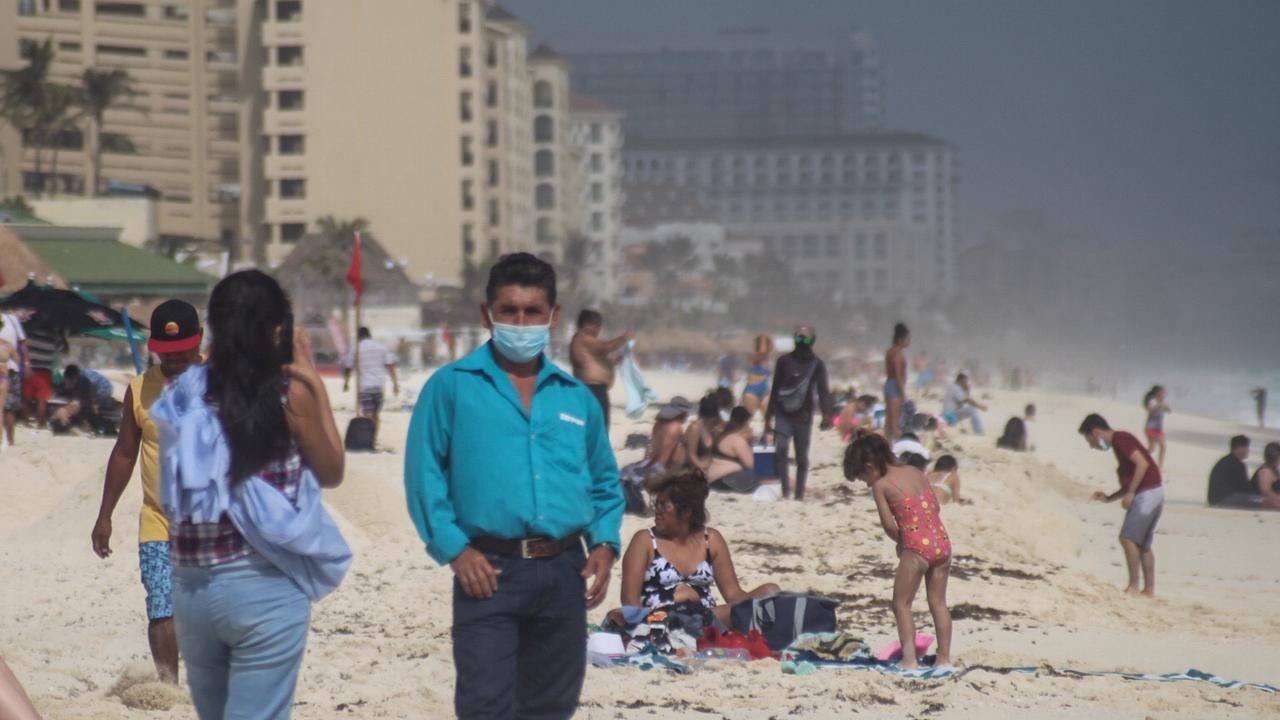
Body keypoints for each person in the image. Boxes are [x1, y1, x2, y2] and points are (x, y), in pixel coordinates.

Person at [404, 253, 623, 720]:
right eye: (509, 311)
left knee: (551, 706)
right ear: (487, 313)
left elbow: (604, 480)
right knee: (485, 706)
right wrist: (455, 551)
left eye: (532, 313)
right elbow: (424, 478)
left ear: (553, 316)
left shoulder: (575, 397)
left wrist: (605, 543)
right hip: (488, 573)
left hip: (566, 572)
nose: (520, 323)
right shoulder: (451, 387)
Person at [154, 270, 350, 719]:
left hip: (192, 586)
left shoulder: (181, 394)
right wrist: (308, 373)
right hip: (263, 585)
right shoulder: (289, 392)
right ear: (276, 328)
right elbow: (333, 469)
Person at [91, 299, 203, 685]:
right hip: (158, 519)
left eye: (180, 353)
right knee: (161, 606)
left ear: (199, 341)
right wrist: (105, 515)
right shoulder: (140, 391)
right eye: (164, 354)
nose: (171, 361)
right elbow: (125, 452)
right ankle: (169, 689)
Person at [843, 429, 952, 669]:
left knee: (901, 604)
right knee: (939, 604)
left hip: (916, 548)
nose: (866, 483)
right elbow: (934, 506)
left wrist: (902, 544)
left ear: (870, 467)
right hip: (941, 541)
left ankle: (910, 659)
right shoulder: (915, 471)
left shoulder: (881, 485)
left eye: (863, 478)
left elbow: (889, 525)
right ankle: (944, 658)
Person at [620, 470, 780, 627]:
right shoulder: (645, 541)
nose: (657, 511)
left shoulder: (711, 540)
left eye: (664, 506)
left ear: (686, 512)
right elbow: (630, 601)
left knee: (770, 591)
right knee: (685, 595)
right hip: (660, 620)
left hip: (708, 619)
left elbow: (734, 595)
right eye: (657, 504)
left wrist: (762, 596)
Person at [1080, 414, 1164, 597]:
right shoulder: (1120, 445)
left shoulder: (1121, 439)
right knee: (1143, 544)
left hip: (1147, 493)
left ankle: (1133, 586)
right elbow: (1131, 477)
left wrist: (1132, 493)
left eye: (1091, 441)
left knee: (1127, 538)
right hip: (1154, 492)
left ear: (1096, 432)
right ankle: (1148, 590)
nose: (1092, 446)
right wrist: (1109, 498)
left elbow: (1142, 464)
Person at [764, 324, 834, 501]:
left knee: (802, 457)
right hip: (782, 413)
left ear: (812, 341)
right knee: (781, 449)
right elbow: (775, 388)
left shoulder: (817, 364)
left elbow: (823, 391)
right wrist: (768, 415)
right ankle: (786, 490)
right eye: (799, 337)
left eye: (805, 338)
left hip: (803, 416)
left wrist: (827, 415)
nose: (801, 341)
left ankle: (799, 494)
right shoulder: (783, 361)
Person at [569, 309, 632, 428]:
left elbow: (606, 361)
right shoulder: (582, 338)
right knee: (596, 426)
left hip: (598, 389)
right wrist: (624, 338)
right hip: (590, 388)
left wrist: (623, 356)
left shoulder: (590, 345)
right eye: (597, 325)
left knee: (602, 425)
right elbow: (606, 347)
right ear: (587, 324)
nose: (598, 329)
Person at [342, 326, 399, 443]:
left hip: (365, 386)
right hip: (379, 385)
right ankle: (373, 438)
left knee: (367, 414)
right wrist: (395, 384)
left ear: (358, 337)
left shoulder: (356, 348)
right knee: (376, 414)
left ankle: (368, 438)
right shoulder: (381, 347)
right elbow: (390, 365)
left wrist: (346, 382)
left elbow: (348, 367)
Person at [50, 364, 118, 435]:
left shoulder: (86, 382)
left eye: (70, 383)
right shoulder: (72, 378)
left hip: (103, 389)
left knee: (93, 408)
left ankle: (103, 424)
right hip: (97, 389)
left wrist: (92, 403)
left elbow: (90, 401)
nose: (69, 385)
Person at [705, 406, 759, 493]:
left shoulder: (722, 435)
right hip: (728, 479)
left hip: (715, 480)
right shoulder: (737, 440)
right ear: (746, 423)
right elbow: (753, 465)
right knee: (764, 476)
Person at [21, 326, 63, 430]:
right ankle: (41, 423)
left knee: (26, 399)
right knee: (42, 400)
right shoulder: (55, 337)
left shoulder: (30, 333)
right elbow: (60, 350)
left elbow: (23, 347)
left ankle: (26, 421)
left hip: (30, 370)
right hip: (45, 371)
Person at [0, 311, 25, 448]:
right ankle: (9, 441)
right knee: (6, 410)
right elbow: (17, 358)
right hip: (6, 374)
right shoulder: (6, 345)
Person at [883, 323, 910, 442]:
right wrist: (902, 391)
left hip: (889, 383)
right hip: (895, 386)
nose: (909, 341)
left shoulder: (890, 351)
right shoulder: (898, 353)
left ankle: (887, 444)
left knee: (889, 419)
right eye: (907, 339)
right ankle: (896, 446)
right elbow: (898, 371)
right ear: (900, 339)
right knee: (895, 420)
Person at [683, 394, 723, 472]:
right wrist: (701, 466)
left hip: (709, 464)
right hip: (694, 467)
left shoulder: (714, 427)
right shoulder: (695, 428)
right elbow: (691, 454)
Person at [740, 334, 773, 416]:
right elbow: (758, 357)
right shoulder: (753, 357)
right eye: (761, 343)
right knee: (748, 417)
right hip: (752, 390)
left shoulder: (769, 359)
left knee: (768, 417)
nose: (763, 346)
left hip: (765, 389)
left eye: (765, 343)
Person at [1143, 385, 1171, 467]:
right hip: (1151, 427)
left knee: (1163, 447)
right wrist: (1159, 406)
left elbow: (1169, 410)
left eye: (1165, 393)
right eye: (1163, 393)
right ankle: (1141, 458)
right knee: (1152, 448)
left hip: (1159, 429)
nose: (1164, 395)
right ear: (1158, 393)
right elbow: (1150, 411)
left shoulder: (1162, 402)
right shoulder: (1153, 401)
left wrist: (1165, 406)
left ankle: (1160, 466)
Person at [1251, 442, 1280, 510]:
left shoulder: (1274, 471)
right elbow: (1265, 491)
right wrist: (1277, 498)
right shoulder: (1265, 471)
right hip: (1266, 503)